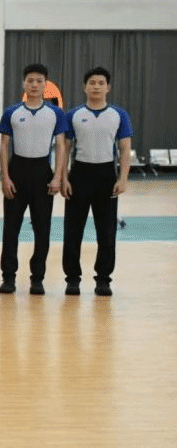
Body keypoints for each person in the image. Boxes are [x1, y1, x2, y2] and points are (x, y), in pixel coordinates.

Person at [0, 63, 70, 295]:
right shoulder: (12, 112)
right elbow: (4, 146)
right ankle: (8, 277)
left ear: (45, 85)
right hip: (17, 171)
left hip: (42, 173)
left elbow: (61, 146)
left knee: (42, 229)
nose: (34, 85)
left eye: (39, 81)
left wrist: (57, 177)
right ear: (24, 83)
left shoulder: (55, 113)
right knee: (11, 229)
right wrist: (5, 177)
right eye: (30, 80)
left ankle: (37, 278)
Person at [61, 66, 132, 297]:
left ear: (108, 87)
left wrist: (123, 178)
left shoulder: (119, 115)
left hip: (106, 176)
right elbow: (65, 148)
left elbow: (125, 148)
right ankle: (72, 279)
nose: (96, 87)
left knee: (107, 232)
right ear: (85, 87)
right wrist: (63, 178)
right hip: (79, 175)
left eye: (101, 83)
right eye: (92, 83)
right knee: (73, 231)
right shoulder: (73, 115)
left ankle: (103, 280)